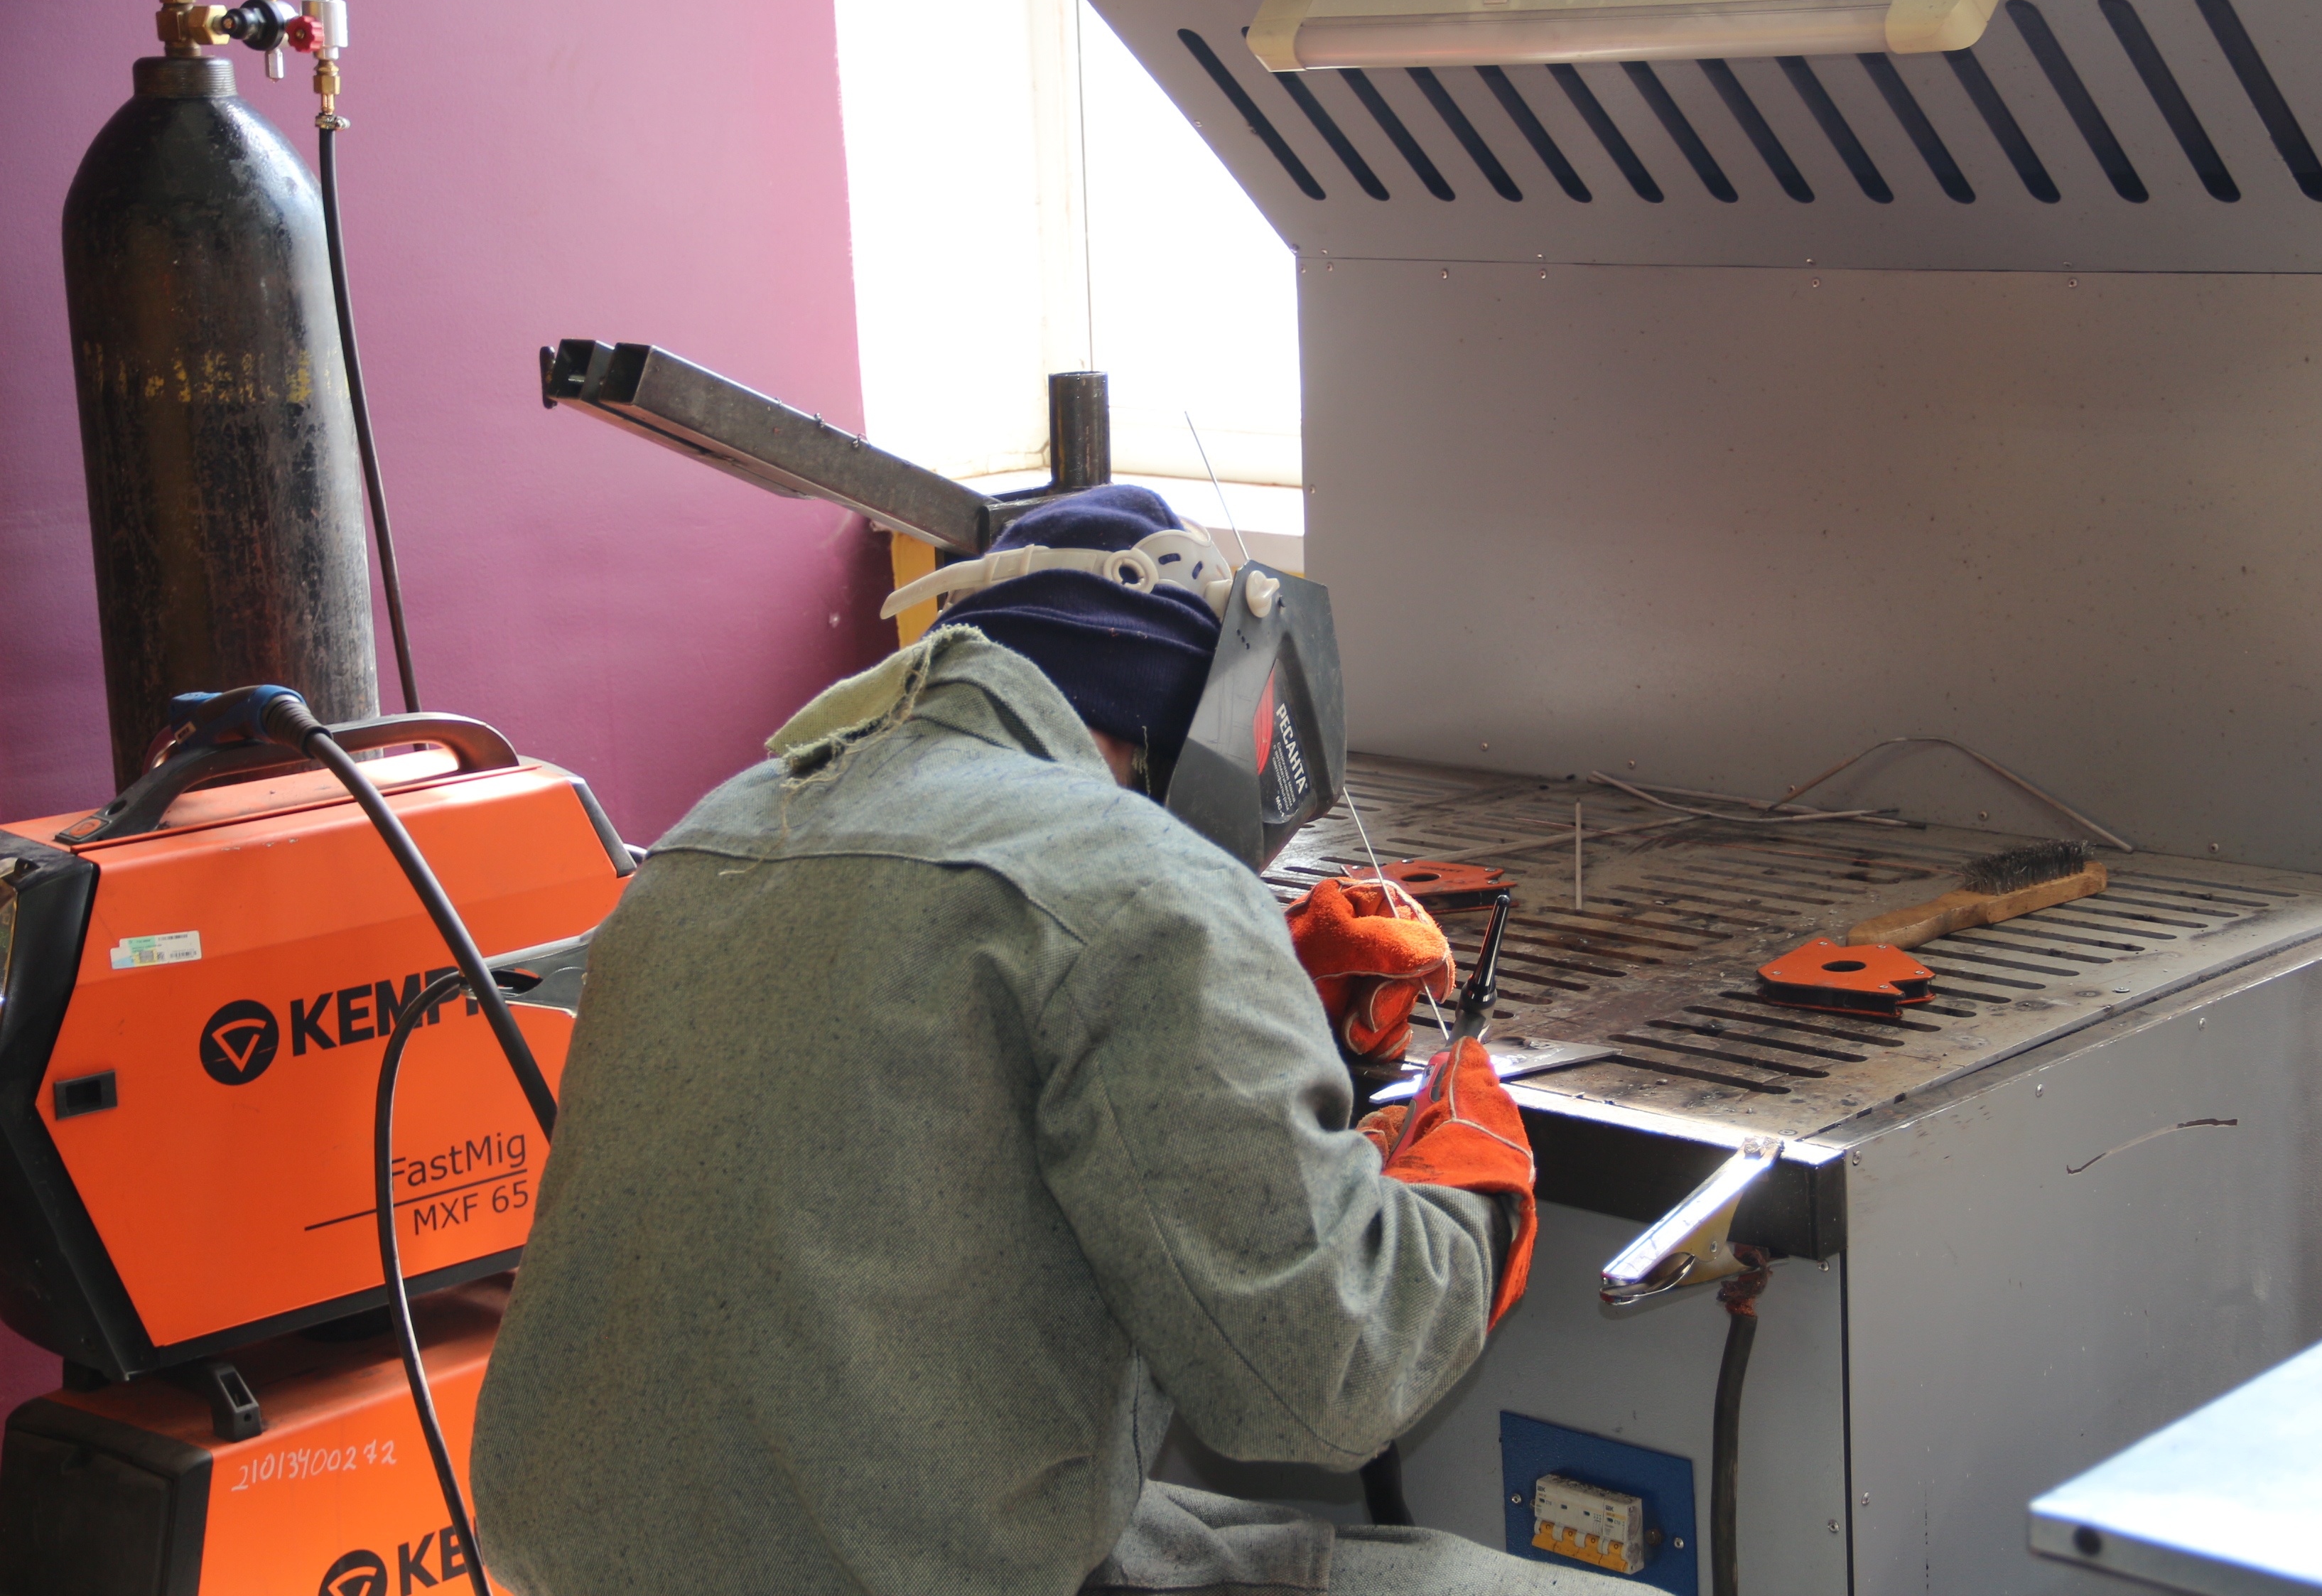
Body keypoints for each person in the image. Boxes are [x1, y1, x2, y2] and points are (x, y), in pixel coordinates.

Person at [471, 487, 1629, 1595]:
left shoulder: (704, 840)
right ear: (1198, 725)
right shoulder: (1137, 886)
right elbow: (1329, 1375)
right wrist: (1468, 1180)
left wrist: (1264, 1019)